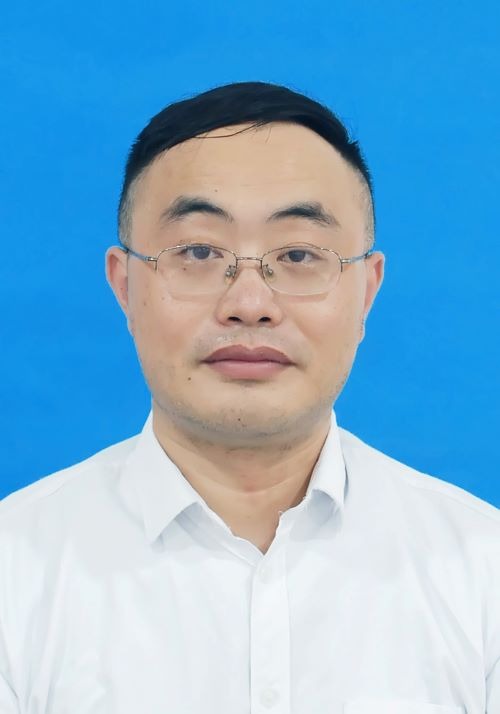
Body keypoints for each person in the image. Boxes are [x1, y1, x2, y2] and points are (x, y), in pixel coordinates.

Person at [0, 81, 498, 714]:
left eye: (299, 254)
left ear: (367, 291)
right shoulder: (15, 571)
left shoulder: (483, 571)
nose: (250, 304)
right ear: (124, 287)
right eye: (199, 252)